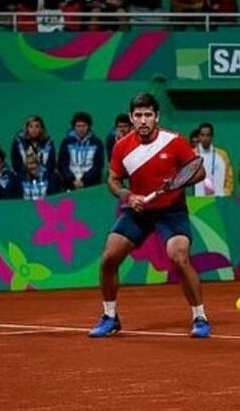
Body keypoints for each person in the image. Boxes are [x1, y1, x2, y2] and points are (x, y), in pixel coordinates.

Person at [88, 93, 211, 338]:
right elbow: (113, 180)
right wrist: (127, 195)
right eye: (138, 115)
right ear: (131, 117)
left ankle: (200, 317)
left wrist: (176, 184)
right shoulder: (122, 146)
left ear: (156, 116)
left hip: (171, 210)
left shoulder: (174, 141)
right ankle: (110, 316)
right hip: (138, 210)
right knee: (109, 257)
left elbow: (198, 171)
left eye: (148, 115)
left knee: (179, 257)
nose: (143, 120)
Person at [58, 112, 104, 190]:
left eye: (84, 126)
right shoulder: (66, 142)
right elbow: (62, 164)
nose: (81, 129)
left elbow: (98, 165)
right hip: (70, 183)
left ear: (88, 126)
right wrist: (72, 180)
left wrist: (84, 180)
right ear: (74, 127)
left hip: (90, 183)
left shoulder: (97, 143)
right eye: (78, 126)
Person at [9, 115, 57, 179]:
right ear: (27, 128)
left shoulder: (48, 143)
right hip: (22, 177)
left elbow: (51, 164)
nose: (33, 130)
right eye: (31, 127)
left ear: (41, 129)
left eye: (37, 126)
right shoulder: (19, 142)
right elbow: (16, 164)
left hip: (44, 177)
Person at [192, 122, 233, 196]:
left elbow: (229, 179)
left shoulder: (222, 155)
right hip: (197, 200)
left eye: (208, 135)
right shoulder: (192, 155)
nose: (205, 138)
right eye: (202, 135)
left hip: (218, 199)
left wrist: (225, 195)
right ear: (199, 136)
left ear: (212, 136)